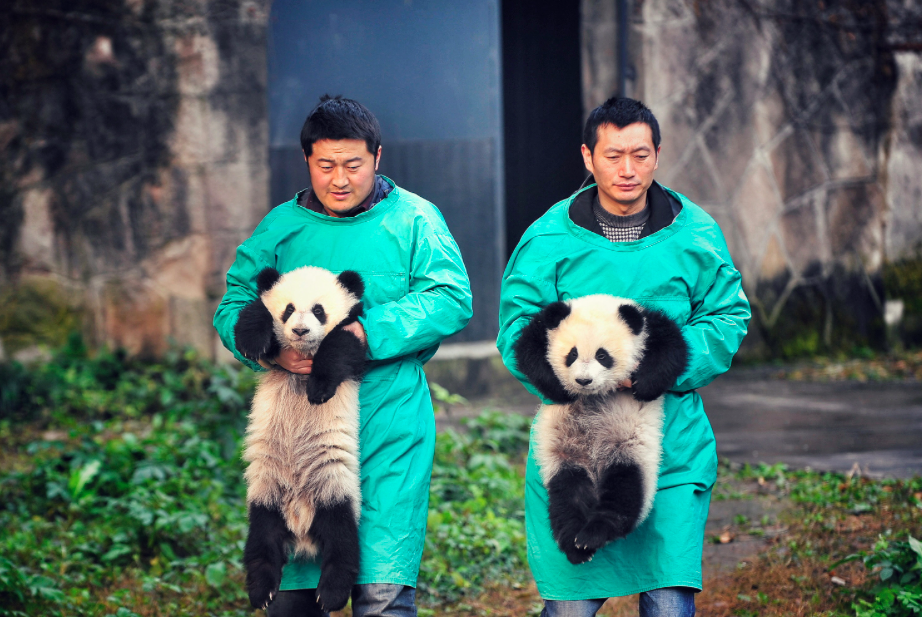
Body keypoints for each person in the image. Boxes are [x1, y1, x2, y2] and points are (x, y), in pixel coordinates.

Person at [214, 95, 473, 617]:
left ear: (378, 157)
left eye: (353, 165)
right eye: (325, 165)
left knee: (382, 591)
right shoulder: (281, 228)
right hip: (298, 431)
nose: (339, 179)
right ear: (306, 160)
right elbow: (235, 301)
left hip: (387, 423)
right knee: (291, 602)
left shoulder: (415, 220)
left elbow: (450, 296)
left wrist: (362, 333)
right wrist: (268, 352)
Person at [496, 97, 751, 617]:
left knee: (668, 601)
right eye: (613, 156)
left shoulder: (695, 232)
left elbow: (727, 317)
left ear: (657, 154)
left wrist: (653, 371)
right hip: (576, 444)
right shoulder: (548, 239)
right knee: (569, 607)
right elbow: (517, 330)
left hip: (668, 445)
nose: (627, 169)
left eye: (640, 154)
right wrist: (576, 378)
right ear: (588, 158)